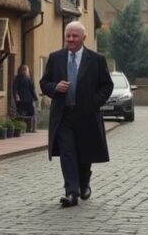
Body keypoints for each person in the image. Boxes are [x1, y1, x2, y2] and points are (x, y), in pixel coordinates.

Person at [40, 21, 114, 207]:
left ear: (84, 38)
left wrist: (93, 103)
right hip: (64, 115)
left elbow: (107, 85)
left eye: (75, 36)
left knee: (84, 154)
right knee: (67, 152)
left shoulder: (96, 60)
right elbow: (44, 82)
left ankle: (84, 183)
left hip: (87, 116)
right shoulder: (55, 58)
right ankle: (71, 192)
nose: (70, 39)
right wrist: (55, 87)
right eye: (68, 36)